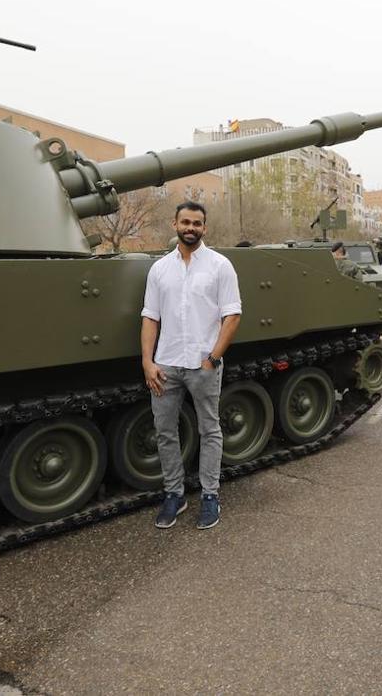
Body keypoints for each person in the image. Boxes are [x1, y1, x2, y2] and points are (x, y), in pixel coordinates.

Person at [141, 201, 242, 530]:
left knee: (209, 430)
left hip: (203, 364)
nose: (191, 228)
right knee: (165, 432)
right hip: (166, 364)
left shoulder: (219, 265)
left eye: (197, 223)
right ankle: (175, 494)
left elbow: (232, 315)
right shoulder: (160, 269)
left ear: (204, 228)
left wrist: (213, 358)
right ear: (175, 224)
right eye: (185, 222)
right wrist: (147, 361)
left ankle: (210, 495)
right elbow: (150, 317)